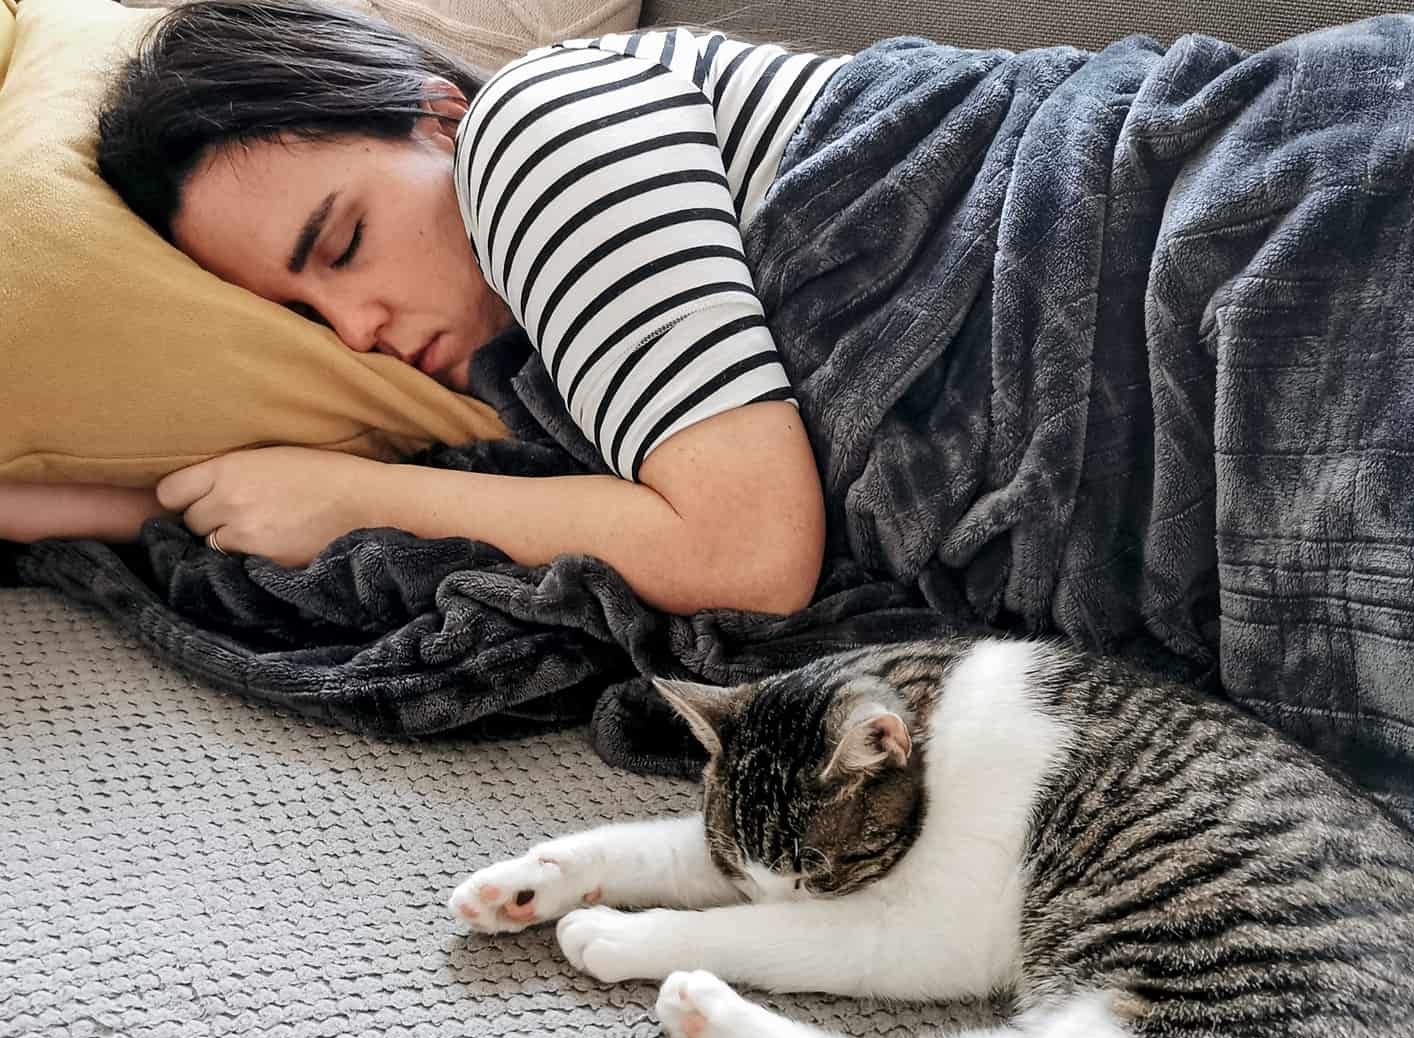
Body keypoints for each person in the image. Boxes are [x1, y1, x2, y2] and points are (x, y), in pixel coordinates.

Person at [0, 0, 840, 617]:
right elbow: (245, 501)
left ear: (439, 119)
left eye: (343, 244)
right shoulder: (528, 364)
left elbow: (750, 553)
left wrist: (363, 497)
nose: (357, 331)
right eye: (307, 316)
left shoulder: (533, 125)